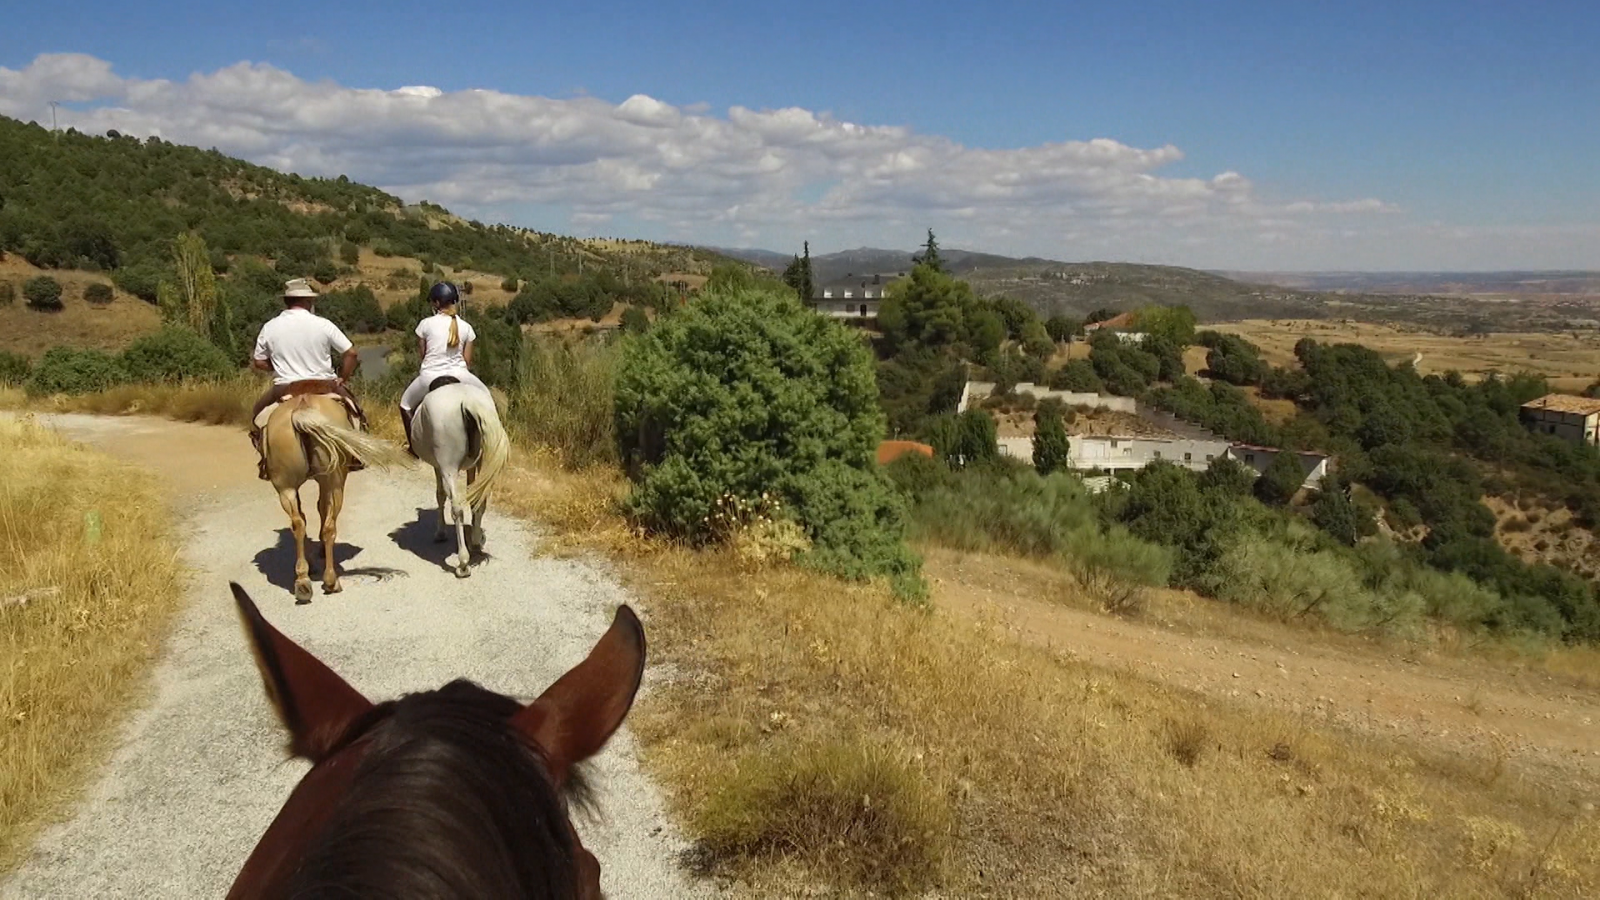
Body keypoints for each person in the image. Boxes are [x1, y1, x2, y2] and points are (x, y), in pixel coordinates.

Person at [248, 278, 366, 479]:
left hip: (285, 388)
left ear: (287, 301)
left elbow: (258, 362)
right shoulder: (323, 324)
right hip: (323, 386)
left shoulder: (270, 326)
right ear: (308, 302)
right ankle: (355, 456)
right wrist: (342, 378)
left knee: (257, 418)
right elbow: (351, 353)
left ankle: (267, 461)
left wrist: (277, 366)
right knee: (356, 412)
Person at [399, 281, 490, 455]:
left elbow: (423, 354)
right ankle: (483, 445)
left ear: (437, 303)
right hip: (461, 375)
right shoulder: (466, 327)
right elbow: (468, 360)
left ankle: (414, 448)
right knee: (488, 400)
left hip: (429, 377)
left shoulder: (425, 324)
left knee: (405, 405)